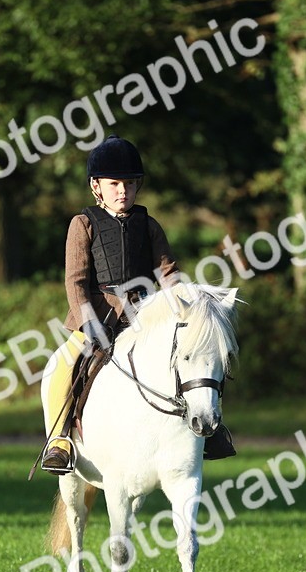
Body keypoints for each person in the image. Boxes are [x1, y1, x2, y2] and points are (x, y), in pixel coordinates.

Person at [40, 134, 234, 475]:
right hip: (96, 316)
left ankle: (211, 431)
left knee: (196, 357)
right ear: (96, 187)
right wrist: (89, 324)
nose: (122, 191)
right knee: (62, 365)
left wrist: (188, 307)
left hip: (144, 318)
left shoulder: (149, 225)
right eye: (114, 184)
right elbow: (76, 281)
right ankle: (59, 441)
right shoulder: (82, 224)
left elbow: (169, 273)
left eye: (129, 184)